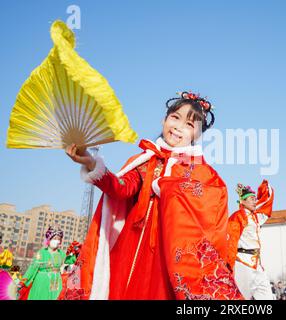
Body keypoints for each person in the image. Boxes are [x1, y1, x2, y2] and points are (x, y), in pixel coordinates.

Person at [63, 92, 242, 300]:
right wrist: (91, 163)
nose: (178, 127)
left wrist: (168, 188)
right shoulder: (145, 160)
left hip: (169, 255)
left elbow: (209, 213)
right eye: (175, 117)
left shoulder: (202, 172)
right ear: (164, 120)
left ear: (196, 135)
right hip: (129, 247)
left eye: (189, 125)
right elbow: (121, 188)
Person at [227, 181, 275, 300]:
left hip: (257, 263)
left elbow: (267, 203)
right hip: (242, 262)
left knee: (267, 297)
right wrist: (229, 265)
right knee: (242, 297)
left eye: (255, 199)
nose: (255, 201)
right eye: (251, 199)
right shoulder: (237, 217)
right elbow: (231, 241)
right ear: (242, 201)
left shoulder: (256, 217)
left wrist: (265, 187)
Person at [19, 226, 66, 300]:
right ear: (49, 239)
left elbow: (70, 265)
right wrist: (23, 281)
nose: (57, 241)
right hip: (42, 281)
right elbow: (32, 268)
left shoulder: (62, 254)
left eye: (59, 239)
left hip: (56, 282)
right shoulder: (41, 253)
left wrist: (75, 254)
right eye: (55, 239)